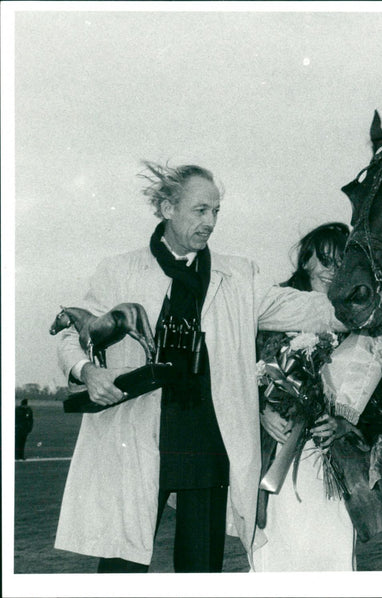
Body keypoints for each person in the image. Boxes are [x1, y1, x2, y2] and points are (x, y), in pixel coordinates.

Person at [54, 161, 344, 573]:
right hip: (137, 439)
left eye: (216, 211)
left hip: (208, 442)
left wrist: (365, 304)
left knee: (201, 570)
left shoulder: (239, 275)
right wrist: (87, 371)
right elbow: (71, 335)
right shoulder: (118, 270)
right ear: (168, 208)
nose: (210, 222)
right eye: (200, 210)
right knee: (121, 569)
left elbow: (305, 309)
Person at [251, 222, 382, 571]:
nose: (333, 271)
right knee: (278, 554)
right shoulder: (273, 310)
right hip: (277, 453)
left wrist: (345, 422)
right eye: (325, 261)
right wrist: (260, 412)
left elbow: (376, 394)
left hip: (332, 459)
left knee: (331, 551)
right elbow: (241, 375)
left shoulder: (363, 319)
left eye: (341, 263)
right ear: (305, 262)